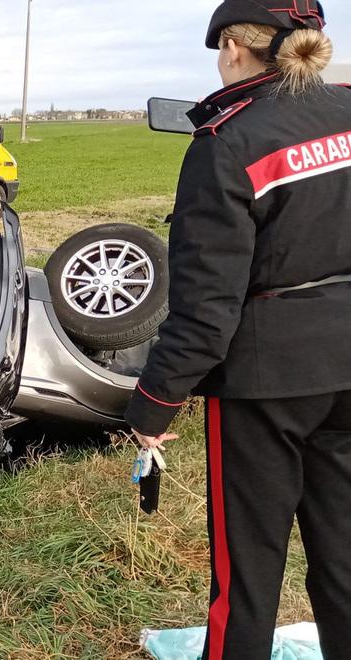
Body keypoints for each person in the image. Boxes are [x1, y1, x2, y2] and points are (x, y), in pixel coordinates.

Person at [124, 1, 351, 658]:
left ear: (234, 47)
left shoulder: (228, 141)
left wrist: (156, 401)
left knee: (248, 570)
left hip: (265, 384)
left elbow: (206, 305)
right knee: (343, 553)